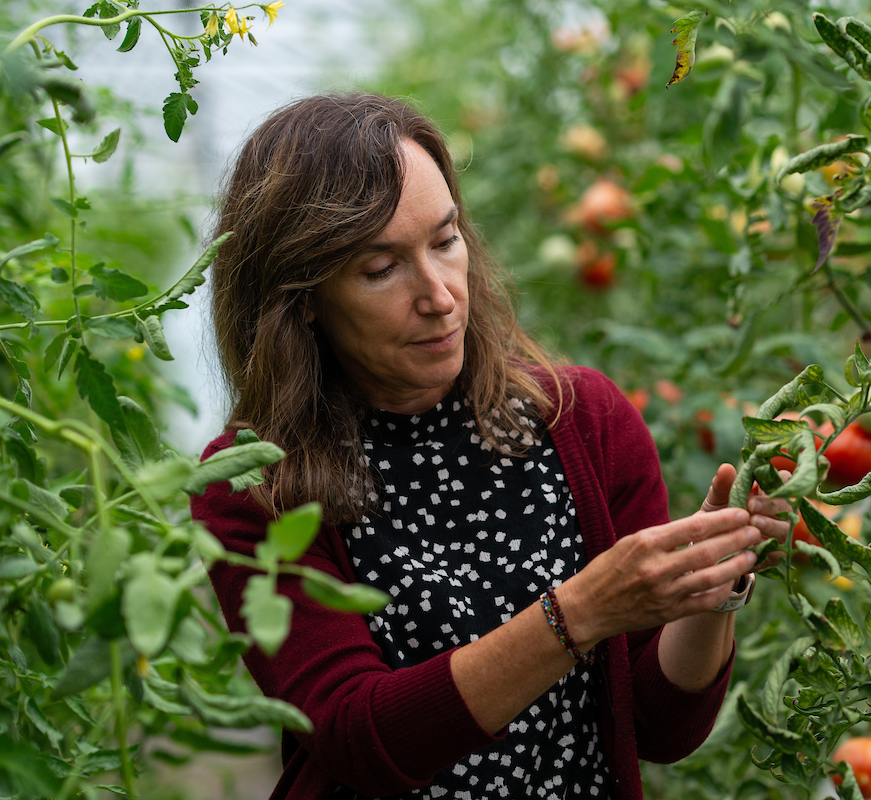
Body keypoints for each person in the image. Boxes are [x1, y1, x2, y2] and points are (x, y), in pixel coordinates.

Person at [190, 93, 791, 800]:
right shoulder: (256, 484)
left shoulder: (582, 421)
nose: (440, 295)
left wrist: (705, 590)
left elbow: (660, 728)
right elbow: (358, 738)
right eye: (381, 268)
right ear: (304, 298)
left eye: (445, 241)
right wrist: (581, 612)